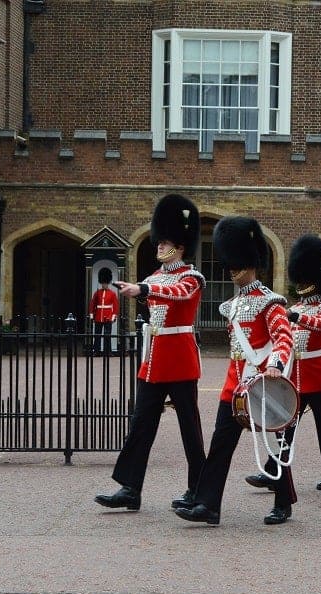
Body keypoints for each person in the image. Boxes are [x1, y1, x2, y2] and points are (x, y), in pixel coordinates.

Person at [175, 216, 295, 526]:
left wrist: (275, 366)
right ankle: (208, 505)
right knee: (220, 445)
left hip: (263, 382)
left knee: (276, 443)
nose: (232, 269)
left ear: (252, 263)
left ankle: (283, 502)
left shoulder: (270, 302)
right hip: (235, 384)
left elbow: (284, 339)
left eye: (237, 263)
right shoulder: (232, 305)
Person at [94, 193, 207, 512]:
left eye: (164, 241)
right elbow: (156, 290)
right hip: (155, 360)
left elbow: (178, 294)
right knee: (140, 424)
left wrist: (142, 290)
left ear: (180, 246)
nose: (158, 245)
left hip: (180, 359)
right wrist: (143, 288)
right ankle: (131, 488)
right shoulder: (155, 276)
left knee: (190, 429)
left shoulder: (191, 277)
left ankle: (198, 487)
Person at [243, 234, 321, 491]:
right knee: (283, 424)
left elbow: (319, 324)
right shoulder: (295, 307)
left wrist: (293, 315)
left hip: (320, 375)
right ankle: (273, 469)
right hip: (295, 375)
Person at [88, 267, 119, 356]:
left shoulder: (112, 293)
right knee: (97, 335)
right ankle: (96, 351)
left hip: (108, 317)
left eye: (105, 283)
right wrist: (91, 314)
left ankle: (107, 351)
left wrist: (113, 316)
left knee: (107, 336)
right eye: (103, 283)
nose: (104, 285)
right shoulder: (97, 293)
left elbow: (115, 306)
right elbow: (92, 304)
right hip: (98, 317)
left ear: (108, 283)